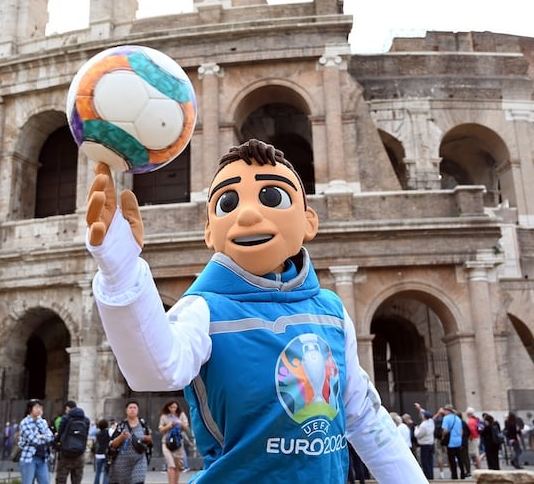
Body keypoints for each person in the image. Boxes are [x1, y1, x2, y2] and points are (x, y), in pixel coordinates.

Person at [85, 139, 423, 482]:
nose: (246, 214)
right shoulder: (203, 309)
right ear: (209, 232)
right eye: (228, 202)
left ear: (309, 222)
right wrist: (121, 272)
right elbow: (155, 371)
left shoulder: (332, 312)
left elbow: (365, 417)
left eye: (272, 197)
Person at [107, 400, 152, 484]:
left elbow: (150, 442)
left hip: (139, 459)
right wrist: (121, 437)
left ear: (138, 410)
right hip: (122, 462)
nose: (132, 410)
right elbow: (112, 444)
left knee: (138, 481)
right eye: (130, 408)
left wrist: (148, 439)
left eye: (135, 408)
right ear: (126, 410)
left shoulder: (143, 424)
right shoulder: (121, 426)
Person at [19, 399, 55, 484]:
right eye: (37, 407)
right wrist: (44, 437)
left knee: (45, 481)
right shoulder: (25, 422)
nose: (39, 410)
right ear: (30, 409)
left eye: (41, 408)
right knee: (28, 482)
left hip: (42, 457)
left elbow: (51, 437)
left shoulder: (43, 422)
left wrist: (41, 436)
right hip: (29, 457)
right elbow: (33, 440)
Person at [56, 401, 89, 484]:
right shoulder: (86, 420)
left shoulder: (65, 418)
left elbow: (60, 434)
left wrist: (56, 443)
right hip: (79, 453)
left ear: (68, 408)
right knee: (77, 480)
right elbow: (85, 436)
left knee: (61, 479)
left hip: (65, 453)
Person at [158, 400, 188, 484]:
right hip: (166, 442)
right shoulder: (164, 416)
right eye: (171, 407)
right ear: (168, 407)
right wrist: (169, 425)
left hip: (178, 443)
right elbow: (161, 429)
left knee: (177, 466)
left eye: (175, 407)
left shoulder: (181, 415)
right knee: (170, 465)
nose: (173, 409)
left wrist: (179, 423)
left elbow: (186, 427)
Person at [441, 405, 468, 480]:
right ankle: (462, 473)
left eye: (445, 410)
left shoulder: (446, 418)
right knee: (460, 458)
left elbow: (445, 430)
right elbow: (461, 431)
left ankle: (454, 475)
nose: (444, 412)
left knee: (452, 460)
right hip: (458, 440)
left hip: (451, 441)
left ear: (448, 411)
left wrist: (443, 436)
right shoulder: (458, 418)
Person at [412, 404, 435, 480]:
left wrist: (416, 428)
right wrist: (420, 408)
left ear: (424, 417)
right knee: (430, 460)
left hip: (424, 444)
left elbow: (417, 435)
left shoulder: (423, 425)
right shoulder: (431, 421)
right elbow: (425, 412)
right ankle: (431, 475)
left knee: (424, 461)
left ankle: (427, 476)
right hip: (431, 443)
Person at [91, 418, 111, 484]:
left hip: (98, 454)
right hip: (106, 453)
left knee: (98, 472)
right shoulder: (108, 432)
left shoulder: (98, 434)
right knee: (106, 472)